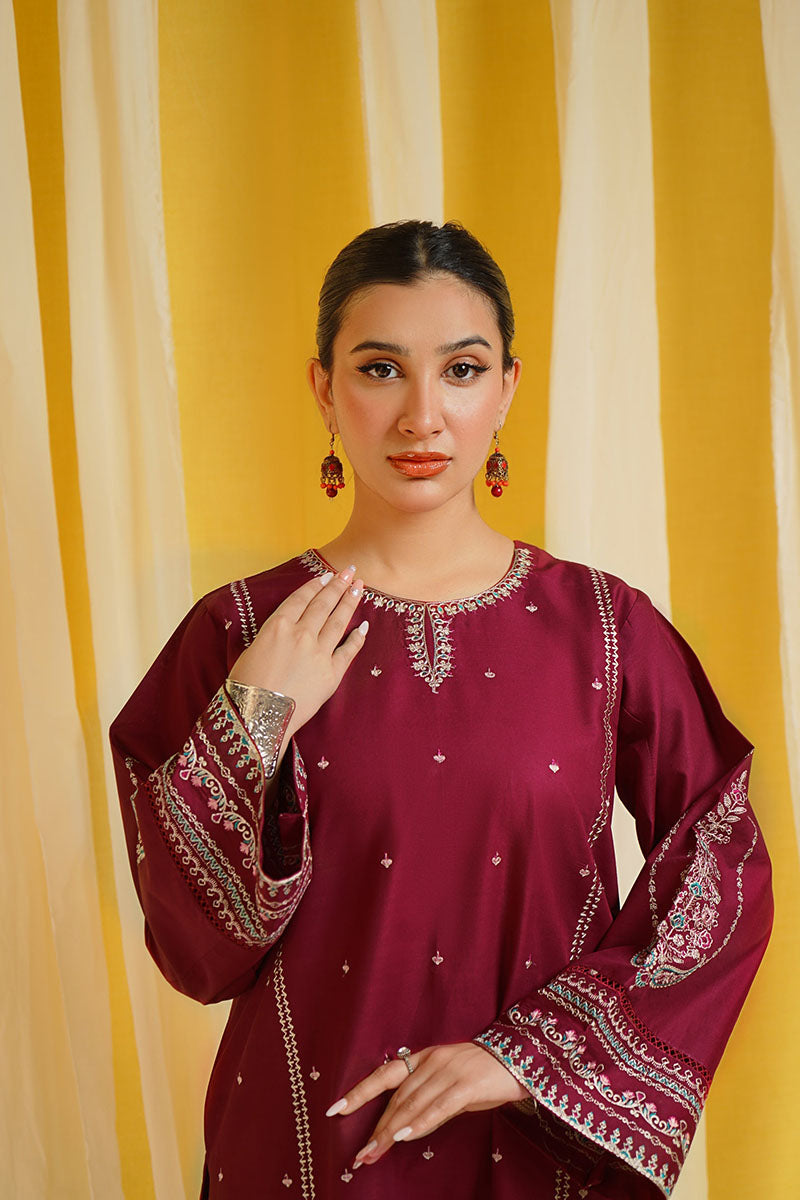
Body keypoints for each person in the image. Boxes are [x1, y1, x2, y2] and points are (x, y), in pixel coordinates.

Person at [110, 221, 772, 1199]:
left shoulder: (605, 628)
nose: (422, 416)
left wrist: (527, 1058)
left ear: (506, 389)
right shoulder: (240, 630)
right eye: (380, 370)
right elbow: (195, 954)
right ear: (323, 390)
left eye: (460, 370)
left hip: (535, 1145)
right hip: (307, 1152)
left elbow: (719, 854)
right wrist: (255, 712)